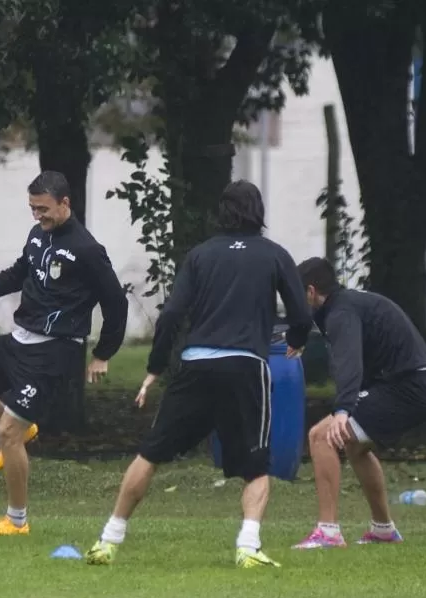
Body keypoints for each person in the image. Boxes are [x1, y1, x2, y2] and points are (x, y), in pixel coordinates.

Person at [84, 180, 314, 569]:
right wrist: (296, 339)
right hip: (245, 366)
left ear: (221, 213)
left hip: (194, 365)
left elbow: (171, 314)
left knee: (150, 453)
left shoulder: (200, 255)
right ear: (259, 212)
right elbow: (302, 315)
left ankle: (108, 539)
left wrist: (156, 367)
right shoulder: (274, 255)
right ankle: (248, 546)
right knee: (256, 465)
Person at [0, 170, 129, 536]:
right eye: (32, 208)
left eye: (43, 209)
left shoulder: (87, 250)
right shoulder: (38, 235)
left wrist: (103, 353)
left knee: (7, 431)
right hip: (18, 340)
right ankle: (24, 431)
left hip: (55, 353)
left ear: (65, 204)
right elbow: (18, 273)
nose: (37, 216)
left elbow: (116, 303)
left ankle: (16, 521)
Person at [291, 257, 426, 549]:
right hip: (415, 383)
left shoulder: (341, 313)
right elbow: (304, 323)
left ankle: (328, 532)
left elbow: (350, 363)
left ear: (310, 292)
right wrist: (295, 338)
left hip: (409, 387)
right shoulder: (342, 305)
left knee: (321, 436)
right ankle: (383, 530)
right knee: (355, 446)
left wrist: (342, 410)